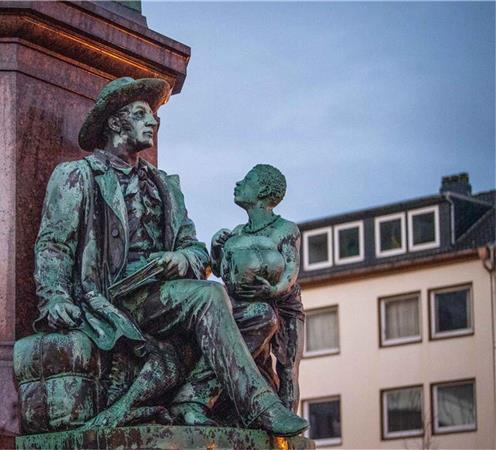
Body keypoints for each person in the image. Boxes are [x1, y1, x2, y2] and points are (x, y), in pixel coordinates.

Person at [32, 77, 308, 435]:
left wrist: (182, 259)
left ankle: (192, 397)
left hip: (165, 295)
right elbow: (54, 244)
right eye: (141, 115)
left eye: (155, 118)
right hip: (112, 296)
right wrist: (54, 297)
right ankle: (258, 406)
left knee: (260, 315)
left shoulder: (165, 185)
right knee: (208, 294)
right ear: (115, 122)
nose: (153, 123)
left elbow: (195, 250)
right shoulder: (78, 176)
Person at [211, 164, 305, 411]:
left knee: (287, 367)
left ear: (263, 190)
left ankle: (288, 433)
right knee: (254, 362)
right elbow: (222, 271)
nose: (238, 184)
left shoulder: (285, 229)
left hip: (284, 309)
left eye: (247, 180)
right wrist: (216, 247)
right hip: (252, 307)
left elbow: (290, 272)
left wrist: (272, 291)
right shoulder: (239, 232)